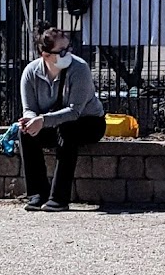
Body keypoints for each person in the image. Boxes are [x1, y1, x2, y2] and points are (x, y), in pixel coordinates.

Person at [18, 23, 105, 211]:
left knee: (67, 131)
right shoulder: (30, 72)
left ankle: (59, 198)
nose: (68, 53)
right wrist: (30, 121)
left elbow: (74, 111)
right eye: (62, 50)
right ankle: (37, 193)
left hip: (88, 122)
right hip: (50, 123)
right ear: (46, 55)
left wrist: (42, 120)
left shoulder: (79, 69)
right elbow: (29, 108)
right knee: (25, 133)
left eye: (68, 48)